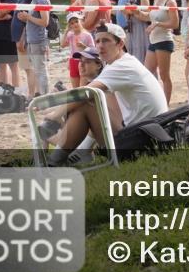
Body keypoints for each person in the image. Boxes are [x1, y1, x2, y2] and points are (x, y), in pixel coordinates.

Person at [47, 23, 168, 166]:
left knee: (87, 101)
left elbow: (86, 93)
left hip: (144, 140)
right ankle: (74, 154)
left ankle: (57, 160)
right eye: (97, 41)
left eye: (105, 40)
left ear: (120, 43)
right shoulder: (121, 63)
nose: (100, 46)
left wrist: (55, 114)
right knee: (94, 100)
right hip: (150, 133)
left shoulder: (121, 66)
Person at [146, 0, 179, 104]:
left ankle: (166, 104)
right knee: (147, 73)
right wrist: (135, 13)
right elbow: (149, 17)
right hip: (153, 40)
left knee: (164, 75)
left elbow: (175, 24)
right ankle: (155, 101)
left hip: (164, 40)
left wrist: (158, 24)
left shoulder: (170, 1)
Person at [17, 0, 52, 96]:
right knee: (37, 70)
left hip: (38, 40)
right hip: (32, 39)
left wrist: (28, 17)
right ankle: (41, 95)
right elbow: (35, 20)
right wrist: (25, 18)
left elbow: (45, 22)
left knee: (40, 70)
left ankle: (44, 96)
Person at [123, 0, 153, 68]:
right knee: (133, 56)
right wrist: (126, 13)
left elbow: (147, 17)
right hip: (133, 29)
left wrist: (133, 12)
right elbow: (129, 15)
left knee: (142, 57)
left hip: (142, 30)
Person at [61, 12, 95, 88]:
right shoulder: (70, 34)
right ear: (69, 25)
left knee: (82, 88)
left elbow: (93, 51)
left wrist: (84, 46)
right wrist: (66, 31)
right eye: (72, 23)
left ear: (81, 21)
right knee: (75, 89)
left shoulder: (87, 35)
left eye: (76, 21)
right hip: (73, 61)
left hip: (83, 61)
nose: (75, 24)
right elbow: (62, 45)